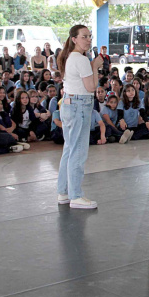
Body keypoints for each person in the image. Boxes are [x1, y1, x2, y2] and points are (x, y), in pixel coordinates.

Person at [56, 24, 104, 209]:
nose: (88, 39)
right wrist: (95, 66)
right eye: (84, 36)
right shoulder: (82, 60)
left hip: (70, 104)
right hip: (79, 105)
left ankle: (64, 192)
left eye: (90, 36)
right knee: (78, 151)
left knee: (69, 149)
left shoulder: (70, 57)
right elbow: (91, 87)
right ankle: (76, 195)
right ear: (74, 39)